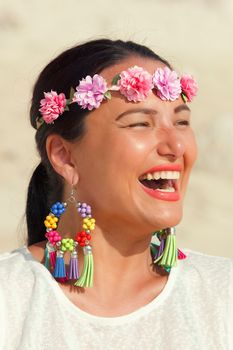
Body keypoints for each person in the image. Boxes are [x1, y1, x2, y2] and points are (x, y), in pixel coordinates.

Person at [0, 39, 232, 350]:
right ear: (65, 157)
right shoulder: (10, 299)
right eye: (140, 124)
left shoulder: (222, 296)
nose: (176, 146)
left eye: (181, 122)